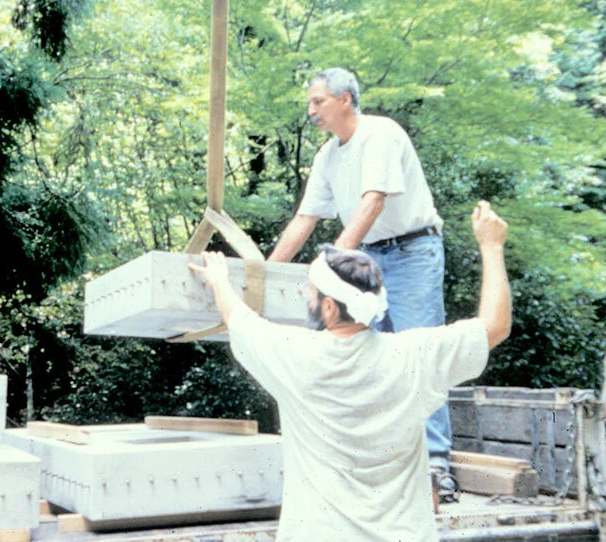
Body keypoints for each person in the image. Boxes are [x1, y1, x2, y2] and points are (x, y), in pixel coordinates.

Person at [189, 201, 511, 541]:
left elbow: (238, 318)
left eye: (311, 290)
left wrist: (219, 281)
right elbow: (496, 326)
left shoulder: (294, 354)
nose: (305, 294)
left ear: (329, 307)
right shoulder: (413, 355)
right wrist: (492, 247)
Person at [267, 67, 456, 498]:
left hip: (412, 252)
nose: (311, 110)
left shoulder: (380, 134)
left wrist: (334, 264)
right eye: (310, 103)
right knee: (366, 356)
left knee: (419, 350)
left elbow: (373, 202)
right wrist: (264, 274)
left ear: (345, 100)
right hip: (369, 255)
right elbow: (304, 219)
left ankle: (436, 464)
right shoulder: (327, 156)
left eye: (318, 101)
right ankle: (385, 462)